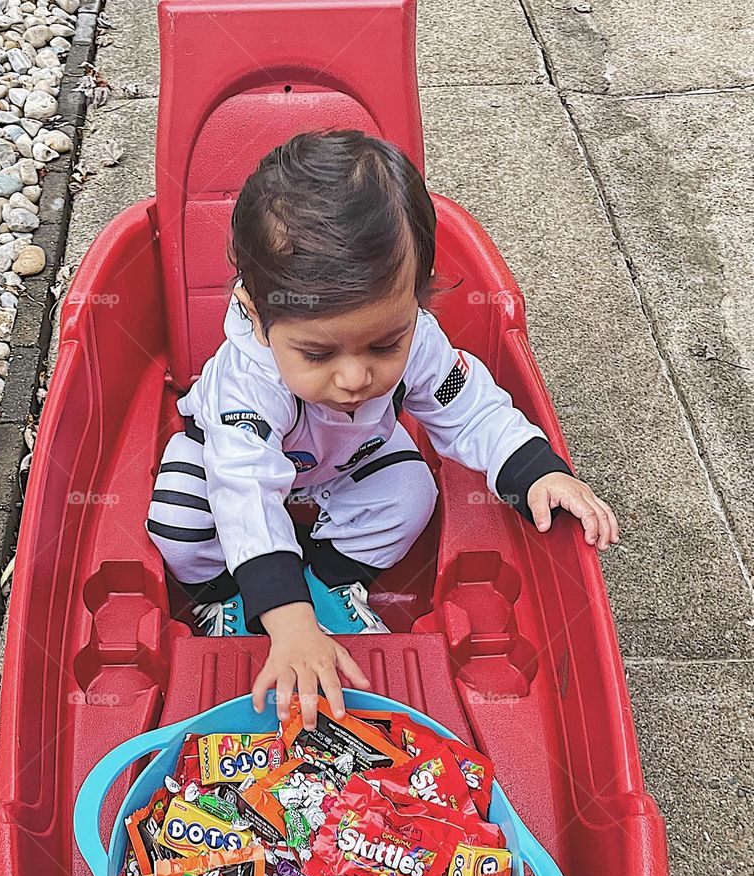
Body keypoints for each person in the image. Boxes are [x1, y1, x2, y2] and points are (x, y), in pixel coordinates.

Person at [146, 130, 619, 729]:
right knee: (179, 525)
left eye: (383, 343)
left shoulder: (418, 341)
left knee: (411, 492)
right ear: (255, 315)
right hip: (228, 463)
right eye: (317, 355)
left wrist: (537, 471)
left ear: (416, 300)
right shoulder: (249, 385)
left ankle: (328, 579)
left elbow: (467, 406)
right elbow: (244, 492)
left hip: (342, 465)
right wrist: (288, 624)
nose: (355, 376)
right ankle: (228, 597)